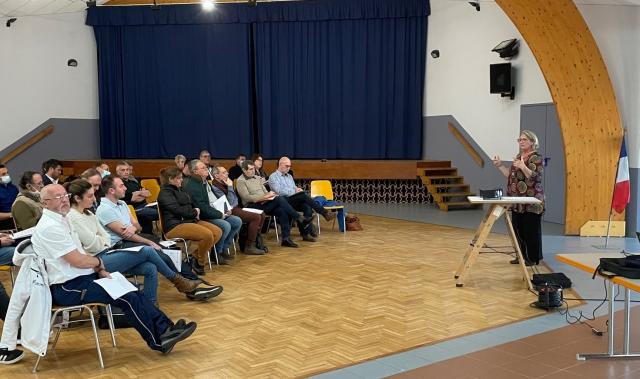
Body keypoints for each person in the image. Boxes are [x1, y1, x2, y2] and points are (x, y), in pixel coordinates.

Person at [31, 184, 197, 356]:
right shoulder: (50, 226)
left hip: (83, 278)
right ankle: (160, 339)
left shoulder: (62, 219)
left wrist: (99, 269)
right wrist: (99, 264)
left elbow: (82, 254)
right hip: (67, 287)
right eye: (58, 197)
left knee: (132, 291)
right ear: (45, 203)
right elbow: (77, 260)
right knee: (127, 297)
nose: (64, 199)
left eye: (65, 195)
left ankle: (167, 329)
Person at [65, 179, 220, 305]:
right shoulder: (75, 216)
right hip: (97, 260)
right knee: (150, 250)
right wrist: (106, 237)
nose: (94, 199)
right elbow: (96, 244)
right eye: (90, 196)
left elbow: (121, 232)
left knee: (150, 266)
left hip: (110, 251)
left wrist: (116, 233)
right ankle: (183, 283)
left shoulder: (90, 214)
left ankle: (151, 305)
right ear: (78, 198)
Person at [492, 130, 545, 266]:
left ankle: (532, 259)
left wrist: (523, 166)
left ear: (532, 142)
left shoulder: (536, 157)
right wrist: (499, 166)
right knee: (518, 231)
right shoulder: (518, 156)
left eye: (524, 140)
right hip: (517, 202)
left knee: (531, 232)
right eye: (519, 140)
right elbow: (510, 175)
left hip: (531, 202)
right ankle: (521, 256)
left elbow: (535, 177)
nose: (521, 142)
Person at [157, 167, 223, 275]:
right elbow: (178, 210)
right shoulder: (164, 193)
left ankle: (195, 259)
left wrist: (195, 211)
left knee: (217, 232)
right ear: (170, 179)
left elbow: (189, 205)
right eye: (179, 178)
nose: (181, 180)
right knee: (207, 235)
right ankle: (199, 264)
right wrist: (194, 212)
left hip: (189, 220)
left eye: (181, 178)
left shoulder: (180, 189)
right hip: (175, 226)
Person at [236, 161, 311, 248]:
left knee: (282, 210)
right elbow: (246, 198)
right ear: (244, 170)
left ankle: (286, 239)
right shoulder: (240, 181)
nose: (253, 171)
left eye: (253, 169)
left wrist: (269, 195)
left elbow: (264, 191)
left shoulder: (257, 178)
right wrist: (263, 197)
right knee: (279, 198)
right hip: (252, 206)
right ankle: (299, 218)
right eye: (251, 169)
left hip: (264, 202)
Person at [183, 160, 241, 263]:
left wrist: (225, 210)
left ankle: (223, 248)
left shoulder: (204, 182)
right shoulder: (193, 186)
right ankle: (216, 253)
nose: (207, 169)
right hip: (203, 216)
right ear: (195, 171)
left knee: (236, 221)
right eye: (203, 168)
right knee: (225, 225)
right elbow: (202, 207)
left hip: (214, 211)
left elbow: (216, 200)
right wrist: (219, 214)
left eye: (206, 167)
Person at [269, 157, 336, 241]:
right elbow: (279, 191)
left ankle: (305, 234)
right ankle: (324, 213)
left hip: (292, 200)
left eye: (290, 166)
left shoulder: (289, 176)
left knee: (306, 206)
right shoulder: (273, 177)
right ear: (280, 164)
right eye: (287, 166)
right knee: (303, 195)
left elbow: (293, 187)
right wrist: (295, 191)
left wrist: (297, 189)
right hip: (282, 201)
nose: (288, 168)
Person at [211, 164, 266, 255]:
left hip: (236, 207)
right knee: (256, 217)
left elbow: (234, 200)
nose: (227, 173)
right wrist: (230, 187)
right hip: (229, 210)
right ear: (216, 176)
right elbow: (228, 203)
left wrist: (230, 188)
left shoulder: (225, 182)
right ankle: (249, 246)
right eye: (224, 172)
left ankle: (256, 241)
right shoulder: (215, 187)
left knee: (262, 214)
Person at [115, 161, 158, 235]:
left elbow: (148, 193)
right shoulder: (119, 184)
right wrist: (141, 194)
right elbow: (133, 199)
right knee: (159, 213)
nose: (126, 172)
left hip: (145, 205)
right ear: (118, 172)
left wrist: (138, 193)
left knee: (164, 207)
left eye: (127, 170)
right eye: (123, 170)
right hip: (134, 209)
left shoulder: (133, 182)